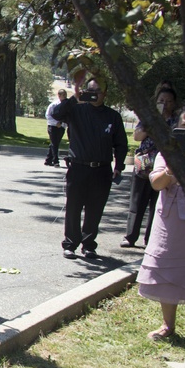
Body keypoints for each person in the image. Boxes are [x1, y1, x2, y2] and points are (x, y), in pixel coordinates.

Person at [51, 77, 128, 259]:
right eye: (91, 91)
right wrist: (74, 98)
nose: (95, 94)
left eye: (98, 91)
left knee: (95, 209)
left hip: (101, 170)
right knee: (73, 207)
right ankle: (70, 244)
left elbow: (121, 143)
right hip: (78, 167)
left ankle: (89, 245)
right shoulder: (76, 110)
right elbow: (56, 114)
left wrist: (119, 165)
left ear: (105, 93)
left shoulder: (113, 116)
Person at [137, 110, 185, 340]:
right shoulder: (167, 154)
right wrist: (174, 167)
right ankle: (167, 325)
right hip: (170, 220)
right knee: (166, 267)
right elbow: (156, 183)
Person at [122, 85, 180, 247]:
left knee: (156, 205)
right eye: (162, 101)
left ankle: (150, 239)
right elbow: (137, 136)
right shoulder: (148, 118)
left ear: (174, 103)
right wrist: (154, 121)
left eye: (169, 101)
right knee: (137, 202)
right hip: (144, 166)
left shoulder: (177, 121)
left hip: (164, 167)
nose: (165, 104)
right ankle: (130, 236)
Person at [44, 89, 67, 166]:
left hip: (62, 127)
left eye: (65, 95)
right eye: (63, 95)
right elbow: (48, 115)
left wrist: (63, 123)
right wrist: (56, 122)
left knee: (55, 143)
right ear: (59, 95)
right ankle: (56, 160)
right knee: (54, 143)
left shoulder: (66, 105)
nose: (65, 97)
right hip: (53, 126)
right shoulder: (53, 105)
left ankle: (48, 160)